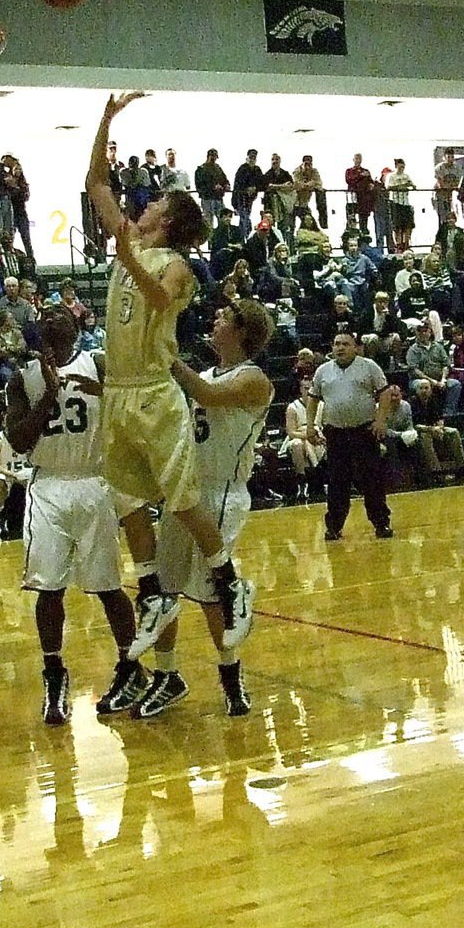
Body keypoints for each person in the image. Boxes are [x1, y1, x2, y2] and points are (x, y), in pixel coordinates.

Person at [84, 92, 254, 656]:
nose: (147, 203)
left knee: (181, 499)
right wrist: (107, 122)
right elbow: (96, 186)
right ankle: (154, 590)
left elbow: (157, 296)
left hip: (156, 394)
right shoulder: (130, 240)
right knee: (127, 501)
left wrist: (124, 254)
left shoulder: (177, 264)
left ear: (171, 218)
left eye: (158, 200)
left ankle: (231, 584)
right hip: (118, 392)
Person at [3, 307, 139, 724]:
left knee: (107, 585)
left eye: (61, 313)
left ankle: (130, 665)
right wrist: (48, 393)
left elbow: (129, 402)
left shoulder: (96, 362)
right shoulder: (20, 379)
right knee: (49, 586)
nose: (53, 316)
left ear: (77, 327)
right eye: (46, 314)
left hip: (94, 480)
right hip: (48, 485)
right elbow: (20, 441)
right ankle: (54, 671)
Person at [144, 299, 274, 718]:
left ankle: (231, 676)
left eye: (222, 317)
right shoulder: (207, 372)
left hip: (221, 494)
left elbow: (208, 395)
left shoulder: (253, 378)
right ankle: (167, 676)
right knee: (163, 590)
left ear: (240, 331)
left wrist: (169, 360)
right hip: (187, 492)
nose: (214, 320)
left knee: (210, 593)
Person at [307, 331, 395, 540]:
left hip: (363, 431)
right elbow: (313, 398)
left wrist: (381, 420)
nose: (340, 348)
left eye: (345, 344)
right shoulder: (322, 371)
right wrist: (310, 426)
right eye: (337, 344)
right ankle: (334, 527)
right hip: (335, 433)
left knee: (371, 480)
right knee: (337, 482)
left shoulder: (369, 366)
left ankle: (381, 523)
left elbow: (385, 392)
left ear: (356, 347)